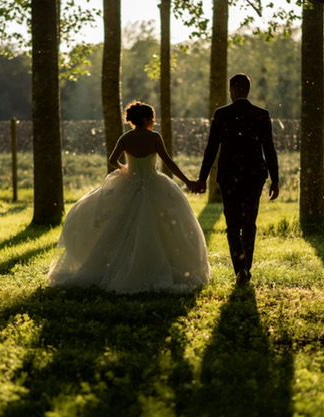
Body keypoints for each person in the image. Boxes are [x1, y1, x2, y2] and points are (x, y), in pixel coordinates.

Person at [48, 101, 211, 293]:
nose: (153, 122)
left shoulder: (126, 138)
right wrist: (188, 182)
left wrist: (124, 168)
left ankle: (117, 265)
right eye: (152, 118)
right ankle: (154, 262)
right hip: (153, 183)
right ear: (145, 119)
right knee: (161, 226)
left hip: (129, 185)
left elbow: (112, 159)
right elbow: (169, 163)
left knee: (121, 226)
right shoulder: (154, 137)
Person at [194, 73, 279, 286]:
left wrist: (203, 177)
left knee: (232, 224)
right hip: (254, 175)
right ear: (247, 90)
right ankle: (246, 269)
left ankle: (240, 268)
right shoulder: (261, 114)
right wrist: (275, 180)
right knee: (249, 222)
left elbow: (211, 148)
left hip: (229, 175)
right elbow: (269, 149)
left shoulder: (222, 114)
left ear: (231, 90)